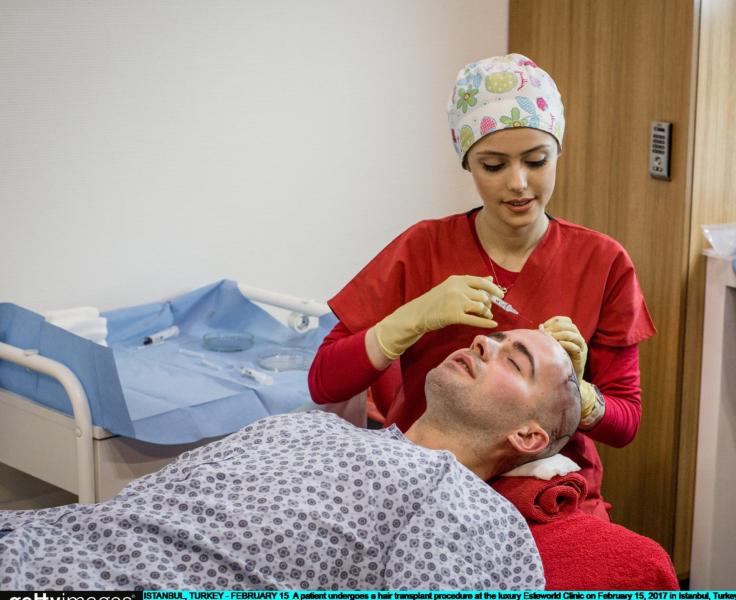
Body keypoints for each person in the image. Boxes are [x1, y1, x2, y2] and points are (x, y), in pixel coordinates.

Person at [309, 53, 656, 520]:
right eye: (493, 165)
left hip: (548, 489)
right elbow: (324, 380)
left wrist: (582, 392)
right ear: (467, 162)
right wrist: (414, 317)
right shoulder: (423, 248)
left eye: (537, 160)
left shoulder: (603, 263)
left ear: (558, 152)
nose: (519, 184)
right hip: (425, 480)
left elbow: (626, 422)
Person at [0, 329, 580, 591]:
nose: (486, 342)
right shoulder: (312, 425)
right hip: (39, 541)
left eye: (516, 360)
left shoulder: (460, 505)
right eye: (498, 336)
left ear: (529, 436)